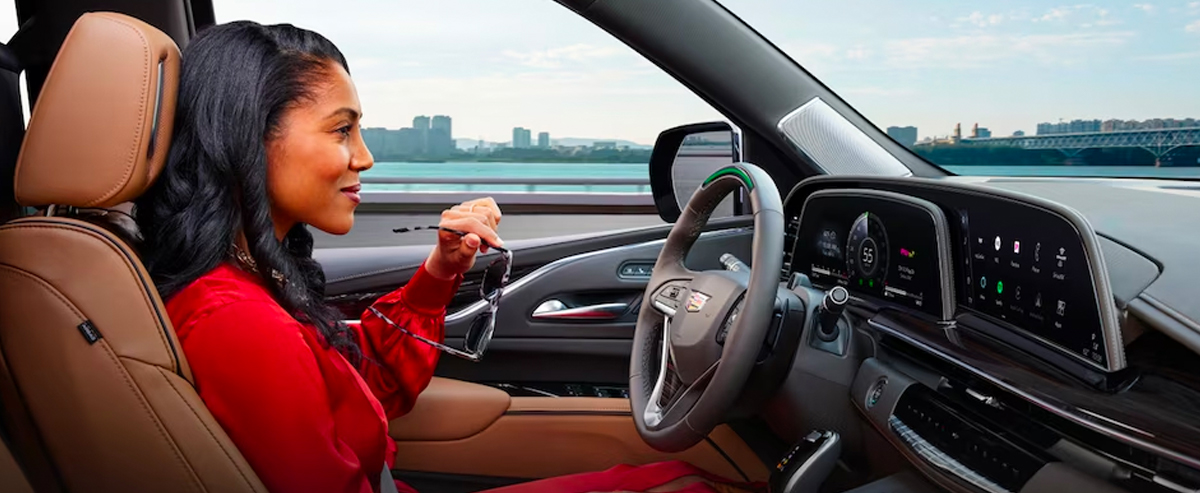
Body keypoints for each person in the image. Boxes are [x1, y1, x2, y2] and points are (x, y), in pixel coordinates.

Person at [136, 20, 758, 493]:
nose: (365, 157)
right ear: (250, 138)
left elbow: (365, 393)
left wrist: (440, 273)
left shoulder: (251, 282)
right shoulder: (236, 323)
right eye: (341, 130)